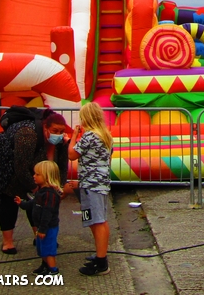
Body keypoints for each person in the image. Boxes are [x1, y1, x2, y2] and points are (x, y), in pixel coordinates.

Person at [0, 109, 70, 254]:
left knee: (38, 202)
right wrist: (35, 188)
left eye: (61, 131)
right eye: (55, 130)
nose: (58, 134)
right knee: (9, 199)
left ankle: (39, 236)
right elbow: (21, 166)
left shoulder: (60, 141)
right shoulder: (28, 134)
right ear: (45, 127)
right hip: (7, 162)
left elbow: (61, 167)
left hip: (33, 168)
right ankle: (7, 242)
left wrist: (57, 188)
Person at [70, 102, 113, 277]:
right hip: (99, 183)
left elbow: (71, 154)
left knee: (97, 220)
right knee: (93, 218)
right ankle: (99, 253)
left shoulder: (89, 137)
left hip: (91, 185)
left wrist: (74, 136)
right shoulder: (106, 136)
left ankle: (101, 262)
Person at [15, 160, 62, 276]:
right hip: (42, 227)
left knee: (48, 249)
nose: (33, 176)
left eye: (37, 174)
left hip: (48, 228)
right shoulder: (41, 192)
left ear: (46, 177)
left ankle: (53, 269)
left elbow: (47, 213)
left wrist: (42, 229)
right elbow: (33, 203)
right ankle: (45, 265)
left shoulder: (49, 194)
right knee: (42, 248)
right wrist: (21, 204)